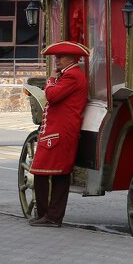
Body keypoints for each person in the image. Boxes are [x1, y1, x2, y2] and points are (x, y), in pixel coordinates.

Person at [29, 41, 90, 227]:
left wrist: (51, 80)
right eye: (56, 56)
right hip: (56, 130)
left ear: (73, 58)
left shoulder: (72, 75)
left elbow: (52, 95)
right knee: (50, 172)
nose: (57, 60)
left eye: (61, 56)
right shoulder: (69, 74)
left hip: (61, 131)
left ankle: (52, 216)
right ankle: (47, 215)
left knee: (52, 172)